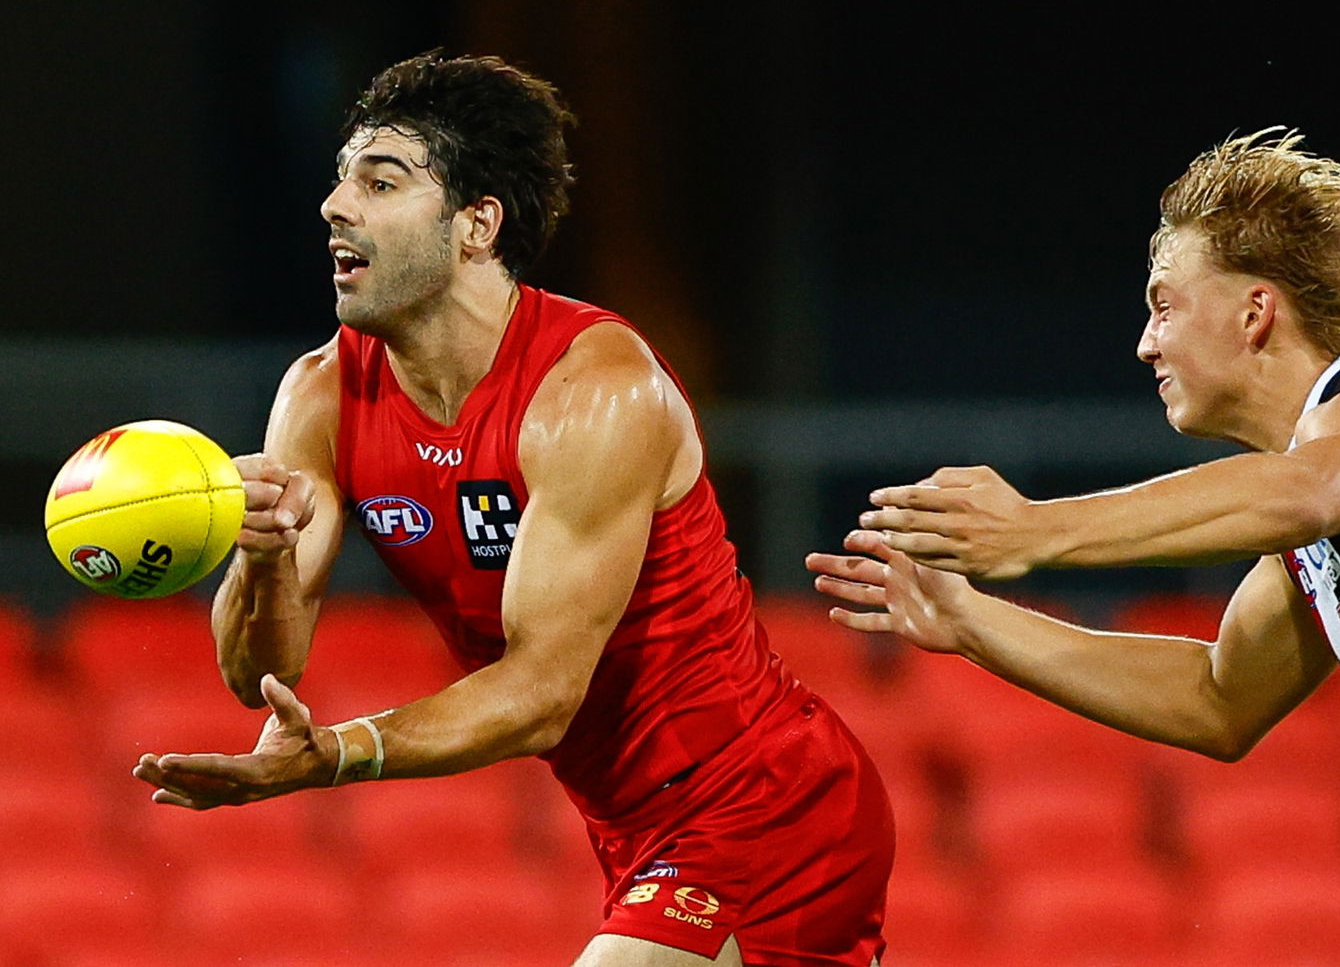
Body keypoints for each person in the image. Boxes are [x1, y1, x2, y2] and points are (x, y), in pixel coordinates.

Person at [133, 51, 893, 967]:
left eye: (382, 181)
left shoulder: (597, 389)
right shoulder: (322, 395)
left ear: (476, 224)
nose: (336, 205)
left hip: (769, 802)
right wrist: (256, 554)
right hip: (628, 834)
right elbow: (260, 670)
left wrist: (337, 753)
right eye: (341, 179)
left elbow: (540, 695)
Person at [807, 129, 1340, 966]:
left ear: (1255, 311)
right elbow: (1215, 700)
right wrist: (972, 621)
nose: (1146, 343)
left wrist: (1036, 529)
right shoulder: (1317, 531)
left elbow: (1311, 490)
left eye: (1163, 303)